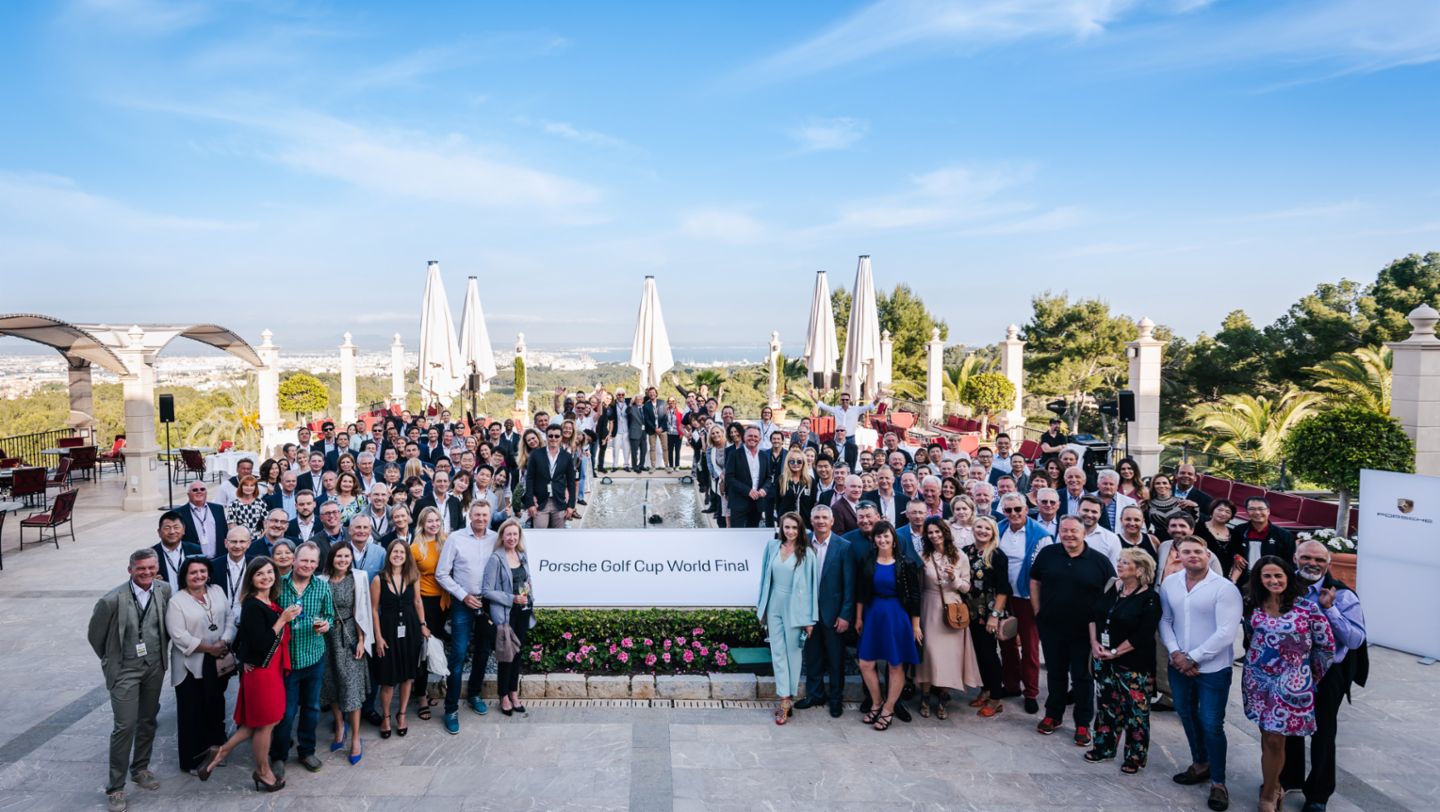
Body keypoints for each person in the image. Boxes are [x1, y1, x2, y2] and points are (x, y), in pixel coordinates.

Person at [199, 557, 301, 793]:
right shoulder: (253, 605)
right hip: (262, 674)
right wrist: (282, 620)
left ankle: (221, 751)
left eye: (269, 572)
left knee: (257, 723)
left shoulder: (268, 601)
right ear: (251, 579)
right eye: (260, 574)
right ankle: (263, 771)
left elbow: (246, 640)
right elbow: (261, 642)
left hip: (270, 670)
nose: (266, 577)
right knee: (266, 724)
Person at [1243, 556, 1335, 812]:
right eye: (1267, 576)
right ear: (1259, 580)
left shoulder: (1307, 609)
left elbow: (1326, 647)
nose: (1274, 580)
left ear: (1288, 577)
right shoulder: (1254, 606)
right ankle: (1272, 783)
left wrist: (1308, 677)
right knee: (1266, 736)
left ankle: (1270, 794)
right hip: (1258, 681)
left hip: (1291, 684)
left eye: (1278, 575)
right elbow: (1252, 638)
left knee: (1275, 739)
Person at [1282, 541, 1367, 812]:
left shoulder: (1343, 596)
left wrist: (1329, 610)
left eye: (1319, 560)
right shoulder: (1282, 586)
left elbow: (1354, 640)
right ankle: (1288, 778)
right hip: (1290, 671)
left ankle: (1318, 794)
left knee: (1323, 732)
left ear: (1328, 563)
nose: (1312, 564)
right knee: (1289, 726)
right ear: (1295, 559)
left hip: (1328, 674)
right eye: (1306, 557)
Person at [1160, 536, 1244, 812]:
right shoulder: (1171, 583)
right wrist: (1175, 653)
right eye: (1186, 552)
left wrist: (1192, 657)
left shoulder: (1224, 588)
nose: (1193, 556)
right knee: (1186, 713)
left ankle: (1218, 782)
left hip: (1212, 668)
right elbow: (1166, 620)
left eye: (1198, 551)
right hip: (1178, 664)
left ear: (1207, 555)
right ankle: (1200, 763)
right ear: (1178, 555)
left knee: (1211, 723)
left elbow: (1226, 632)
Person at [89, 550, 170, 812]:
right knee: (125, 726)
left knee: (148, 719)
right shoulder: (111, 600)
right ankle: (115, 787)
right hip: (125, 669)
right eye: (140, 569)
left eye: (150, 568)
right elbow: (96, 637)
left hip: (154, 666)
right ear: (130, 570)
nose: (146, 573)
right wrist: (112, 660)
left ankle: (141, 768)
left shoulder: (164, 590)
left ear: (156, 568)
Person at [1030, 515, 1116, 744]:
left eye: (1074, 531)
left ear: (1084, 533)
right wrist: (1038, 612)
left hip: (1084, 632)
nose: (1068, 534)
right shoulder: (1048, 554)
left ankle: (1082, 724)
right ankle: (1053, 715)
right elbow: (1035, 581)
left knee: (1082, 677)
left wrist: (1100, 630)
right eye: (1064, 530)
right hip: (1051, 627)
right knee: (1055, 674)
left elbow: (1110, 596)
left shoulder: (1099, 562)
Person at [1085, 547, 1163, 773]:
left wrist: (1115, 652)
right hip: (1104, 659)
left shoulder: (1150, 599)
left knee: (1136, 713)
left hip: (1134, 665)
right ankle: (1103, 748)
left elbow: (1143, 635)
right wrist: (1094, 643)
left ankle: (1134, 757)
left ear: (1139, 570)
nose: (1119, 565)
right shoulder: (1113, 587)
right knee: (1107, 706)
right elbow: (1094, 615)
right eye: (1120, 561)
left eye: (1126, 563)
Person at [165, 557, 234, 776]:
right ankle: (191, 760)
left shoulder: (217, 591)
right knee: (191, 713)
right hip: (190, 665)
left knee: (214, 707)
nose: (198, 576)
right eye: (193, 572)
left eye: (202, 571)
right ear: (184, 576)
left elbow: (230, 618)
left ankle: (216, 751)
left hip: (217, 660)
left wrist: (224, 641)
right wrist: (208, 648)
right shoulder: (177, 601)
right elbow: (178, 635)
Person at [270, 541, 334, 776]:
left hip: (314, 657)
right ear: (294, 560)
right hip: (287, 661)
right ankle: (278, 755)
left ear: (318, 564)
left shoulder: (321, 587)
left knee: (312, 708)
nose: (307, 565)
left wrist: (327, 625)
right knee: (285, 713)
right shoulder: (278, 586)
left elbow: (329, 616)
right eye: (304, 560)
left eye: (312, 562)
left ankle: (307, 750)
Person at [435, 501, 498, 732]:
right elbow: (441, 573)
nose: (481, 518)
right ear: (469, 516)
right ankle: (451, 709)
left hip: (488, 603)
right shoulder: (456, 538)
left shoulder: (495, 538)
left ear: (489, 516)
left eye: (484, 515)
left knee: (483, 651)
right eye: (477, 514)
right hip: (463, 603)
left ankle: (474, 694)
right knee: (458, 655)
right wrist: (463, 596)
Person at [855, 521, 922, 731]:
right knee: (866, 663)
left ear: (894, 538)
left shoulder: (906, 563)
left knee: (895, 665)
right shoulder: (868, 561)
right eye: (878, 536)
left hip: (897, 615)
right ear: (873, 540)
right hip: (873, 613)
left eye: (886, 536)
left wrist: (916, 626)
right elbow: (860, 592)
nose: (882, 540)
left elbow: (915, 597)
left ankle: (889, 708)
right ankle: (876, 702)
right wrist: (858, 618)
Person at [755, 512, 818, 725]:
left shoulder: (807, 553)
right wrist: (761, 608)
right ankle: (783, 699)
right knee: (777, 652)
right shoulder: (771, 547)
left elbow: (812, 588)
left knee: (793, 654)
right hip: (774, 604)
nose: (790, 531)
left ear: (800, 530)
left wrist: (810, 619)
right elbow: (765, 579)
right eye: (786, 527)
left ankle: (789, 696)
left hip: (795, 607)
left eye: (794, 528)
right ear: (781, 528)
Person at [916, 518, 981, 719]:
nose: (934, 536)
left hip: (953, 608)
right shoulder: (924, 556)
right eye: (930, 532)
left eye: (938, 531)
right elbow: (918, 586)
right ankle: (925, 696)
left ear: (945, 532)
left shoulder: (959, 556)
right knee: (929, 653)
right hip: (929, 606)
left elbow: (967, 587)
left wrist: (955, 578)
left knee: (949, 657)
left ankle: (943, 697)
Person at [995, 492, 1053, 714]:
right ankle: (1011, 685)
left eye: (1017, 509)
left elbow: (1043, 572)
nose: (1013, 514)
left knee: (1029, 646)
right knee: (1006, 641)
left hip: (1027, 597)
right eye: (1008, 510)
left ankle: (1031, 692)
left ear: (1026, 509)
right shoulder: (998, 528)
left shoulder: (1040, 535)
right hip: (1003, 595)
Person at [794, 504, 854, 718]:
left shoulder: (844, 546)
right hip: (809, 612)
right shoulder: (803, 542)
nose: (820, 521)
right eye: (817, 517)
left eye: (824, 518)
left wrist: (845, 615)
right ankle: (814, 694)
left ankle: (836, 698)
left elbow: (849, 584)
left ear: (832, 521)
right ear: (811, 520)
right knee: (813, 656)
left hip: (834, 613)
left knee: (836, 659)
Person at [371, 539, 427, 738]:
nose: (398, 555)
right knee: (388, 680)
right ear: (389, 554)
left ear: (406, 556)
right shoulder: (379, 579)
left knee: (407, 677)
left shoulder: (413, 576)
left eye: (402, 553)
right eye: (395, 552)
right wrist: (377, 636)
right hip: (387, 631)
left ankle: (401, 714)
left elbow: (418, 602)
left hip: (410, 629)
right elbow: (374, 610)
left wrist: (423, 625)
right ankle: (386, 716)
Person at [321, 544, 371, 765]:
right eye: (338, 556)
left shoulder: (357, 578)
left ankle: (356, 738)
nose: (342, 560)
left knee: (351, 686)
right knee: (331, 683)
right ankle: (340, 725)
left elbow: (359, 610)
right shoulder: (321, 580)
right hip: (325, 637)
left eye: (346, 556)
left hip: (349, 635)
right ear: (331, 558)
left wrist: (361, 640)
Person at [483, 519, 535, 715]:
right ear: (502, 537)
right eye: (508, 534)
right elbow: (486, 591)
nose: (512, 538)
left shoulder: (521, 555)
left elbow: (527, 580)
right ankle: (503, 695)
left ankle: (514, 693)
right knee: (507, 655)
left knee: (518, 653)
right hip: (506, 613)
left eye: (515, 534)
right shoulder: (496, 559)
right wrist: (511, 598)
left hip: (523, 612)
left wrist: (529, 597)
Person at [963, 516, 1010, 718]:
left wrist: (995, 616)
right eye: (979, 527)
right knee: (978, 653)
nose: (982, 531)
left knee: (989, 654)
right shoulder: (966, 551)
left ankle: (996, 697)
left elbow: (1003, 589)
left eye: (987, 529)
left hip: (988, 613)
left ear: (993, 532)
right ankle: (986, 689)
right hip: (969, 612)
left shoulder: (997, 555)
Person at [410, 506, 449, 721]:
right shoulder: (415, 548)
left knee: (437, 648)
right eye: (429, 521)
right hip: (425, 601)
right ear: (422, 523)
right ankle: (421, 695)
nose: (433, 524)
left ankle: (427, 688)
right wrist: (422, 619)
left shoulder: (446, 541)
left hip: (445, 601)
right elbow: (412, 584)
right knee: (423, 650)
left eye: (437, 520)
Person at [524, 425, 577, 529]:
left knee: (558, 537)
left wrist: (571, 505)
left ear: (561, 437)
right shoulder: (536, 454)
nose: (553, 438)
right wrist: (530, 503)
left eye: (557, 436)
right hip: (540, 503)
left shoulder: (566, 456)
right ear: (546, 437)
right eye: (550, 436)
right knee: (539, 535)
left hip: (559, 502)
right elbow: (529, 479)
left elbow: (571, 482)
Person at [178, 482, 227, 557]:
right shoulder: (179, 513)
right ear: (188, 494)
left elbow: (225, 533)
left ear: (206, 492)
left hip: (219, 558)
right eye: (195, 490)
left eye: (202, 489)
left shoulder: (218, 509)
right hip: (195, 560)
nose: (199, 491)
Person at [153, 511, 202, 584]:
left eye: (176, 527)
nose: (172, 532)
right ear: (159, 532)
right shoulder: (151, 554)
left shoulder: (195, 550)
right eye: (167, 528)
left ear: (183, 530)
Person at [1077, 495, 1122, 566]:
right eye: (1086, 510)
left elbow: (1115, 570)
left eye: (1094, 512)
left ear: (1100, 514)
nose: (1089, 515)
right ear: (1078, 510)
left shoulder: (1112, 539)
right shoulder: (1067, 534)